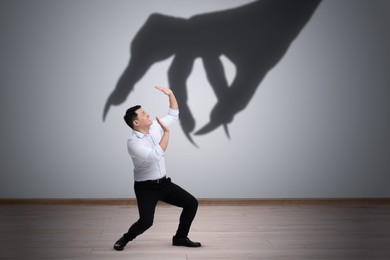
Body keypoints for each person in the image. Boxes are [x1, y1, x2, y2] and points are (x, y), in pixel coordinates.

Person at [114, 86, 201, 251]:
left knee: (191, 203)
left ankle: (180, 238)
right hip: (146, 188)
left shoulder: (154, 126)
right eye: (143, 114)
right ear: (136, 122)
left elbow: (173, 114)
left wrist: (171, 95)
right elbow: (155, 155)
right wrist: (166, 134)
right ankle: (125, 238)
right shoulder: (133, 143)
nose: (148, 114)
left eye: (146, 112)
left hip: (164, 184)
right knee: (146, 222)